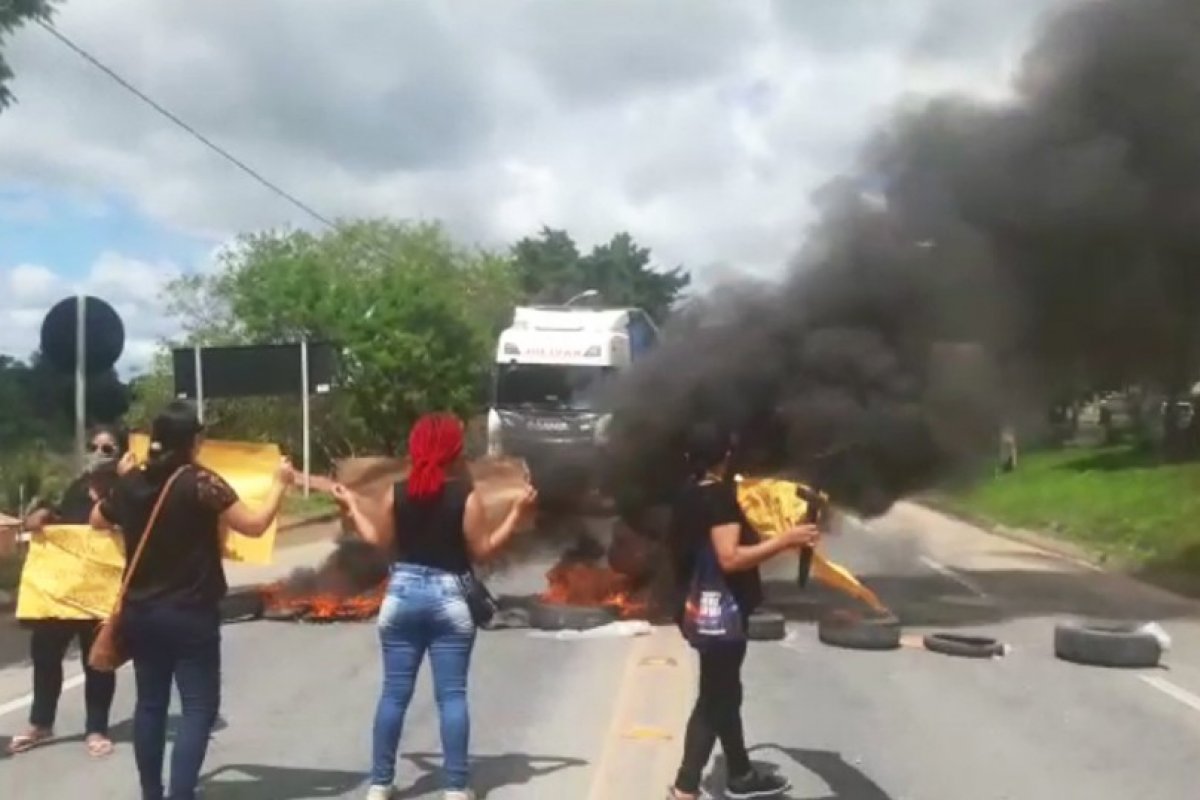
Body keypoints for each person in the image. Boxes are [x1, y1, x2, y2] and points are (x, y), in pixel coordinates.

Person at [90, 401, 295, 800]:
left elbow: (99, 519)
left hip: (140, 612)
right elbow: (253, 526)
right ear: (194, 442)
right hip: (190, 612)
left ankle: (153, 793)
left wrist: (125, 480)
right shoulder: (201, 482)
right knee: (199, 708)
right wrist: (279, 484)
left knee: (150, 705)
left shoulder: (131, 483)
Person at [332, 412, 538, 800]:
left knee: (394, 694)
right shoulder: (466, 496)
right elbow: (483, 549)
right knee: (452, 696)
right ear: (453, 450)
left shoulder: (397, 492)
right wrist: (516, 512)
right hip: (450, 600)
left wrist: (352, 506)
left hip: (402, 595)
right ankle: (456, 788)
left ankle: (380, 783)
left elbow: (378, 540)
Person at [666, 424, 821, 800]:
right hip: (721, 610)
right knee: (714, 697)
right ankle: (685, 788)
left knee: (726, 691)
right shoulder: (719, 498)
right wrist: (786, 540)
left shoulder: (687, 493)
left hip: (695, 606)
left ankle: (740, 774)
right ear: (725, 457)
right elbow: (730, 558)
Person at [8, 424, 135, 757]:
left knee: (99, 660)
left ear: (121, 454)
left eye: (107, 449)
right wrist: (43, 516)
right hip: (61, 592)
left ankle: (96, 728)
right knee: (45, 656)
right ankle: (40, 723)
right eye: (94, 446)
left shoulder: (130, 490)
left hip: (102, 595)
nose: (98, 454)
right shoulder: (77, 487)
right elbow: (60, 519)